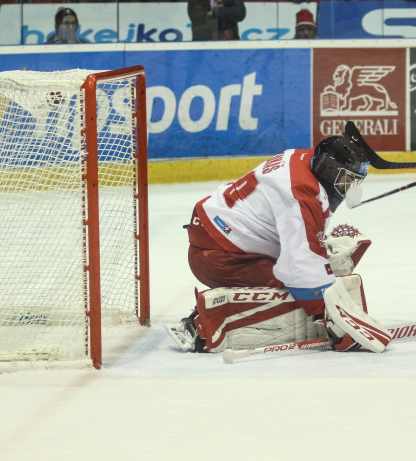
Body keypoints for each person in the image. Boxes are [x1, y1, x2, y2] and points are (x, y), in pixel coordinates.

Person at [166, 129, 392, 354]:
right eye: (347, 180)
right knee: (295, 293)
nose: (348, 188)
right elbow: (300, 270)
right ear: (331, 170)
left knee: (311, 275)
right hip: (221, 257)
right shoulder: (302, 193)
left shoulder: (305, 158)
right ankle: (201, 325)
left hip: (220, 238)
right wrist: (334, 319)